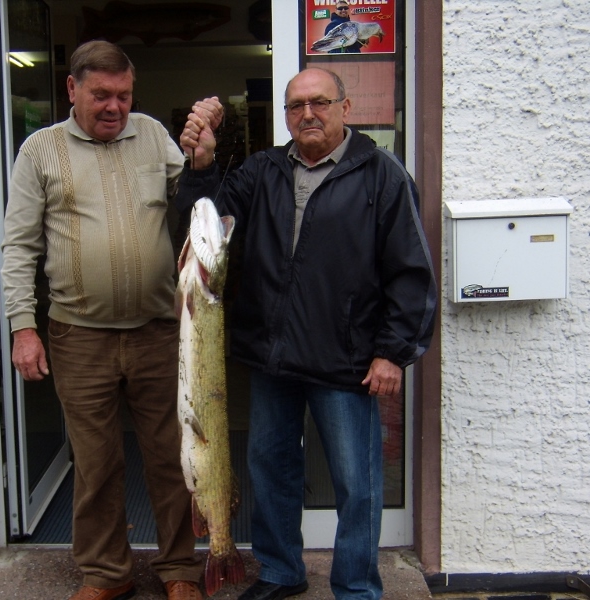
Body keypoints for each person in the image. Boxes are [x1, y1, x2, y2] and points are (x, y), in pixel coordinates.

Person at [178, 68, 437, 600]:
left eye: (319, 102)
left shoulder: (382, 174)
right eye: (295, 106)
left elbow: (410, 271)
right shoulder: (262, 170)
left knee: (357, 486)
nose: (307, 114)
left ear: (345, 107)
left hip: (346, 361)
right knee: (270, 472)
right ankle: (280, 572)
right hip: (272, 358)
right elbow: (205, 223)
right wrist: (201, 165)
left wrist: (392, 352)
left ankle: (357, 587)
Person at [1, 40, 203, 600]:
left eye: (123, 94)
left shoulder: (155, 137)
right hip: (77, 335)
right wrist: (24, 327)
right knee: (96, 463)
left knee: (171, 457)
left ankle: (180, 569)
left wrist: (202, 158)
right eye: (100, 95)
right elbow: (18, 246)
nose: (114, 106)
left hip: (159, 331)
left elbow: (191, 209)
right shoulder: (39, 151)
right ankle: (105, 574)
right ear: (72, 90)